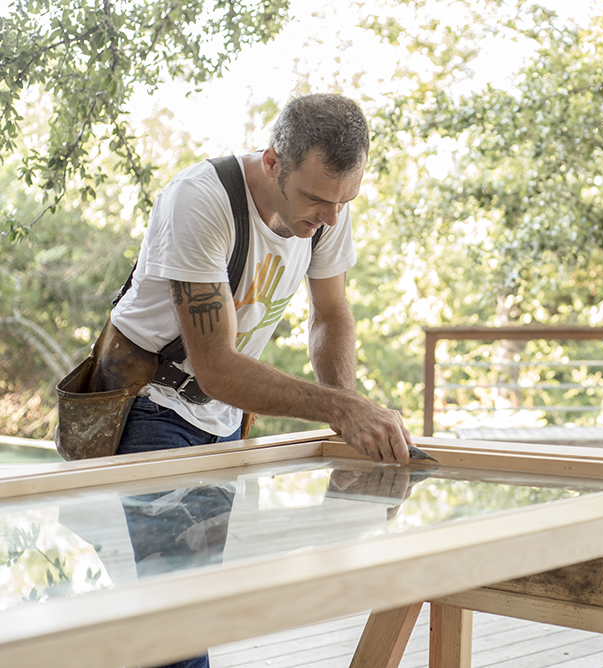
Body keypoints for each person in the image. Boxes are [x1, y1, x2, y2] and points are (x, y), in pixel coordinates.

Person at [108, 93, 414, 668]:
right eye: (318, 199)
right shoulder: (201, 200)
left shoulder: (328, 210)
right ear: (273, 162)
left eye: (345, 200)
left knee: (190, 611)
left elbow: (331, 313)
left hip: (223, 420)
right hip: (148, 408)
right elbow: (217, 366)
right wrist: (343, 411)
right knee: (176, 630)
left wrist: (347, 406)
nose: (330, 216)